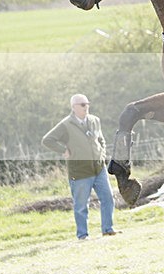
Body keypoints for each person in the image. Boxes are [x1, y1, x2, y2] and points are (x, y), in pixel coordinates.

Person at [42, 94, 119, 240]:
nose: (86, 107)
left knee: (108, 198)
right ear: (73, 107)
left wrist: (102, 155)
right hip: (80, 171)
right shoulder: (65, 124)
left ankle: (108, 229)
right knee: (81, 206)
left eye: (87, 104)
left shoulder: (95, 120)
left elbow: (101, 140)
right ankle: (83, 235)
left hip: (99, 168)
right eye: (82, 105)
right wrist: (63, 150)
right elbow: (47, 140)